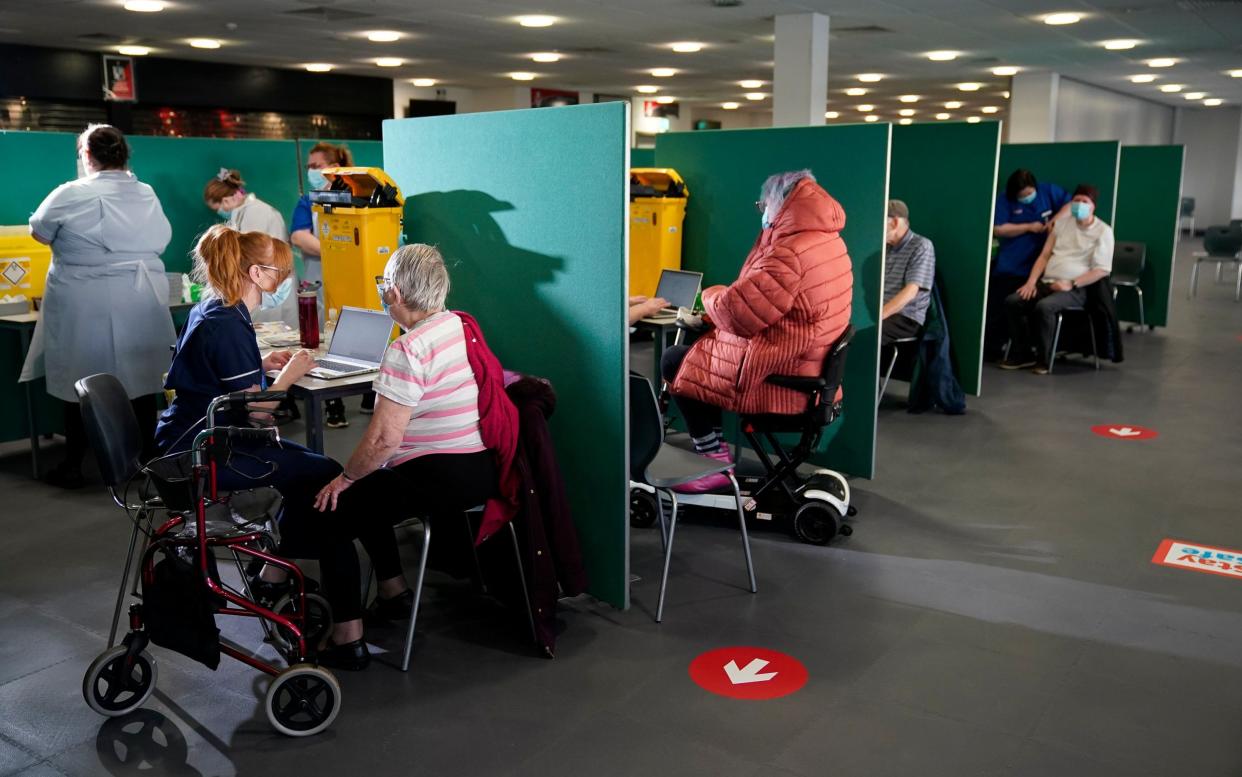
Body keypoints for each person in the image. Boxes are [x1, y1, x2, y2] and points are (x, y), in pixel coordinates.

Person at [311, 244, 504, 670]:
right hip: (479, 469)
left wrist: (344, 478)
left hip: (438, 475)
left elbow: (383, 441)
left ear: (394, 293)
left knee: (334, 510)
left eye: (383, 285)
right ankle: (393, 593)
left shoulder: (406, 350)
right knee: (371, 490)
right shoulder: (459, 325)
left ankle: (346, 639)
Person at [155, 225, 341, 594]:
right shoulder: (228, 326)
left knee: (309, 464)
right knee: (326, 471)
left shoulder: (213, 309)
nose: (285, 280)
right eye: (281, 273)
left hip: (183, 437)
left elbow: (214, 373)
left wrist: (261, 362)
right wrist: (289, 374)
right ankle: (276, 573)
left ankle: (274, 563)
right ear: (256, 274)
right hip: (209, 452)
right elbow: (258, 413)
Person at [661, 169, 853, 493]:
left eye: (762, 205)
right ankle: (715, 456)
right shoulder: (825, 239)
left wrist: (709, 296)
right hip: (810, 368)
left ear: (781, 205)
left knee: (676, 360)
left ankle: (712, 459)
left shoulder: (790, 252)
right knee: (701, 357)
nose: (762, 212)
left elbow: (736, 314)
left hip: (783, 378)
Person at [26, 124, 176, 488]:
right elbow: (162, 236)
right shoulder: (145, 193)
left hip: (83, 298)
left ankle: (74, 463)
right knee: (140, 379)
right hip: (138, 296)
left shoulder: (69, 194)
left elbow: (39, 231)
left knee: (81, 378)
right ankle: (145, 458)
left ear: (87, 156)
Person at [1002, 184, 1114, 375]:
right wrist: (1031, 282)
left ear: (1093, 206)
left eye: (1084, 202)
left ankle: (1043, 359)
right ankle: (1023, 353)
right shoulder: (1061, 225)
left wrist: (1071, 283)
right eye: (1076, 201)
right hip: (1047, 282)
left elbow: (1102, 270)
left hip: (1076, 288)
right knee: (1013, 302)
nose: (1079, 205)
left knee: (1045, 307)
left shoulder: (1103, 231)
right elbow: (1044, 256)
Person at [290, 142, 354, 428]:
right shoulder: (308, 201)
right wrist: (336, 250)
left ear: (335, 166)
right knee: (324, 342)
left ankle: (369, 397)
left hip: (355, 280)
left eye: (316, 165)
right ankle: (333, 403)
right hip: (320, 279)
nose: (311, 171)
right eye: (309, 166)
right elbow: (299, 237)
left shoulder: (356, 195)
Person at [985, 169, 1072, 360]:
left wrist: (1053, 222)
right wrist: (1029, 227)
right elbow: (997, 229)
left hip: (1040, 269)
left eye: (1029, 194)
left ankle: (1034, 350)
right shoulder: (1004, 200)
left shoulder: (1048, 191)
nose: (1027, 198)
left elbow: (1071, 203)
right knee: (1001, 307)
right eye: (1022, 196)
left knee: (1033, 310)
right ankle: (996, 350)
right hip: (1012, 265)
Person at [203, 168, 296, 327]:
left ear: (226, 201)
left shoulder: (255, 213)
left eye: (217, 208)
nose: (220, 212)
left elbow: (250, 256)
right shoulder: (247, 211)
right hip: (266, 283)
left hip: (268, 285)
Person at [880, 199, 935, 346]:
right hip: (885, 313)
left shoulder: (922, 246)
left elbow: (910, 292)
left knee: (866, 334)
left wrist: (878, 316)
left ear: (895, 223)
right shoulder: (886, 248)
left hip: (906, 318)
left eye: (881, 222)